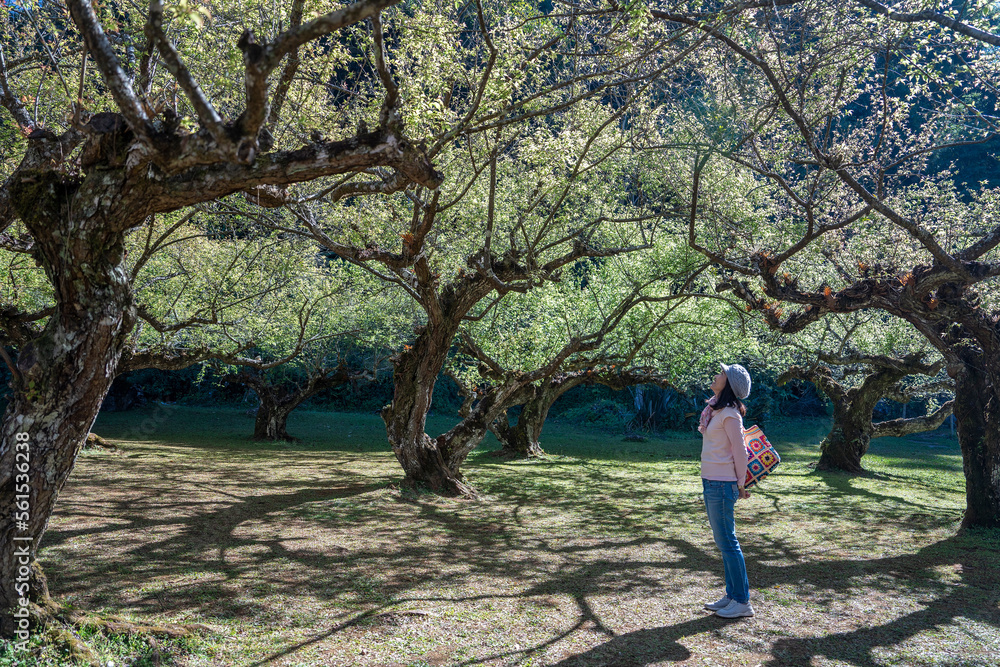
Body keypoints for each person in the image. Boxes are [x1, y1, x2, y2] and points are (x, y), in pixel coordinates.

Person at [698, 362, 754, 618]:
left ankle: (742, 602)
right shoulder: (716, 410)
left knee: (728, 543)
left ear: (729, 384)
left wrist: (741, 483)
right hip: (712, 481)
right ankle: (732, 595)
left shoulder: (730, 414)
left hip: (722, 484)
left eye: (721, 373)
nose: (716, 375)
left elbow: (739, 451)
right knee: (724, 543)